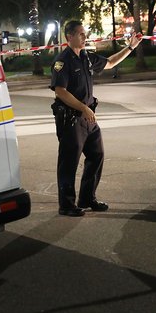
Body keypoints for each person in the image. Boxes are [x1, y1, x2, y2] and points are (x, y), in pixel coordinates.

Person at [50, 20, 142, 216]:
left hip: (88, 117)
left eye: (85, 34)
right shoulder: (62, 61)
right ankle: (66, 205)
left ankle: (87, 198)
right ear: (69, 37)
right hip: (71, 119)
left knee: (97, 155)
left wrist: (130, 47)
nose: (85, 37)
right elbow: (60, 91)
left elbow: (109, 63)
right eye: (81, 34)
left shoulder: (86, 57)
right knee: (69, 162)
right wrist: (83, 108)